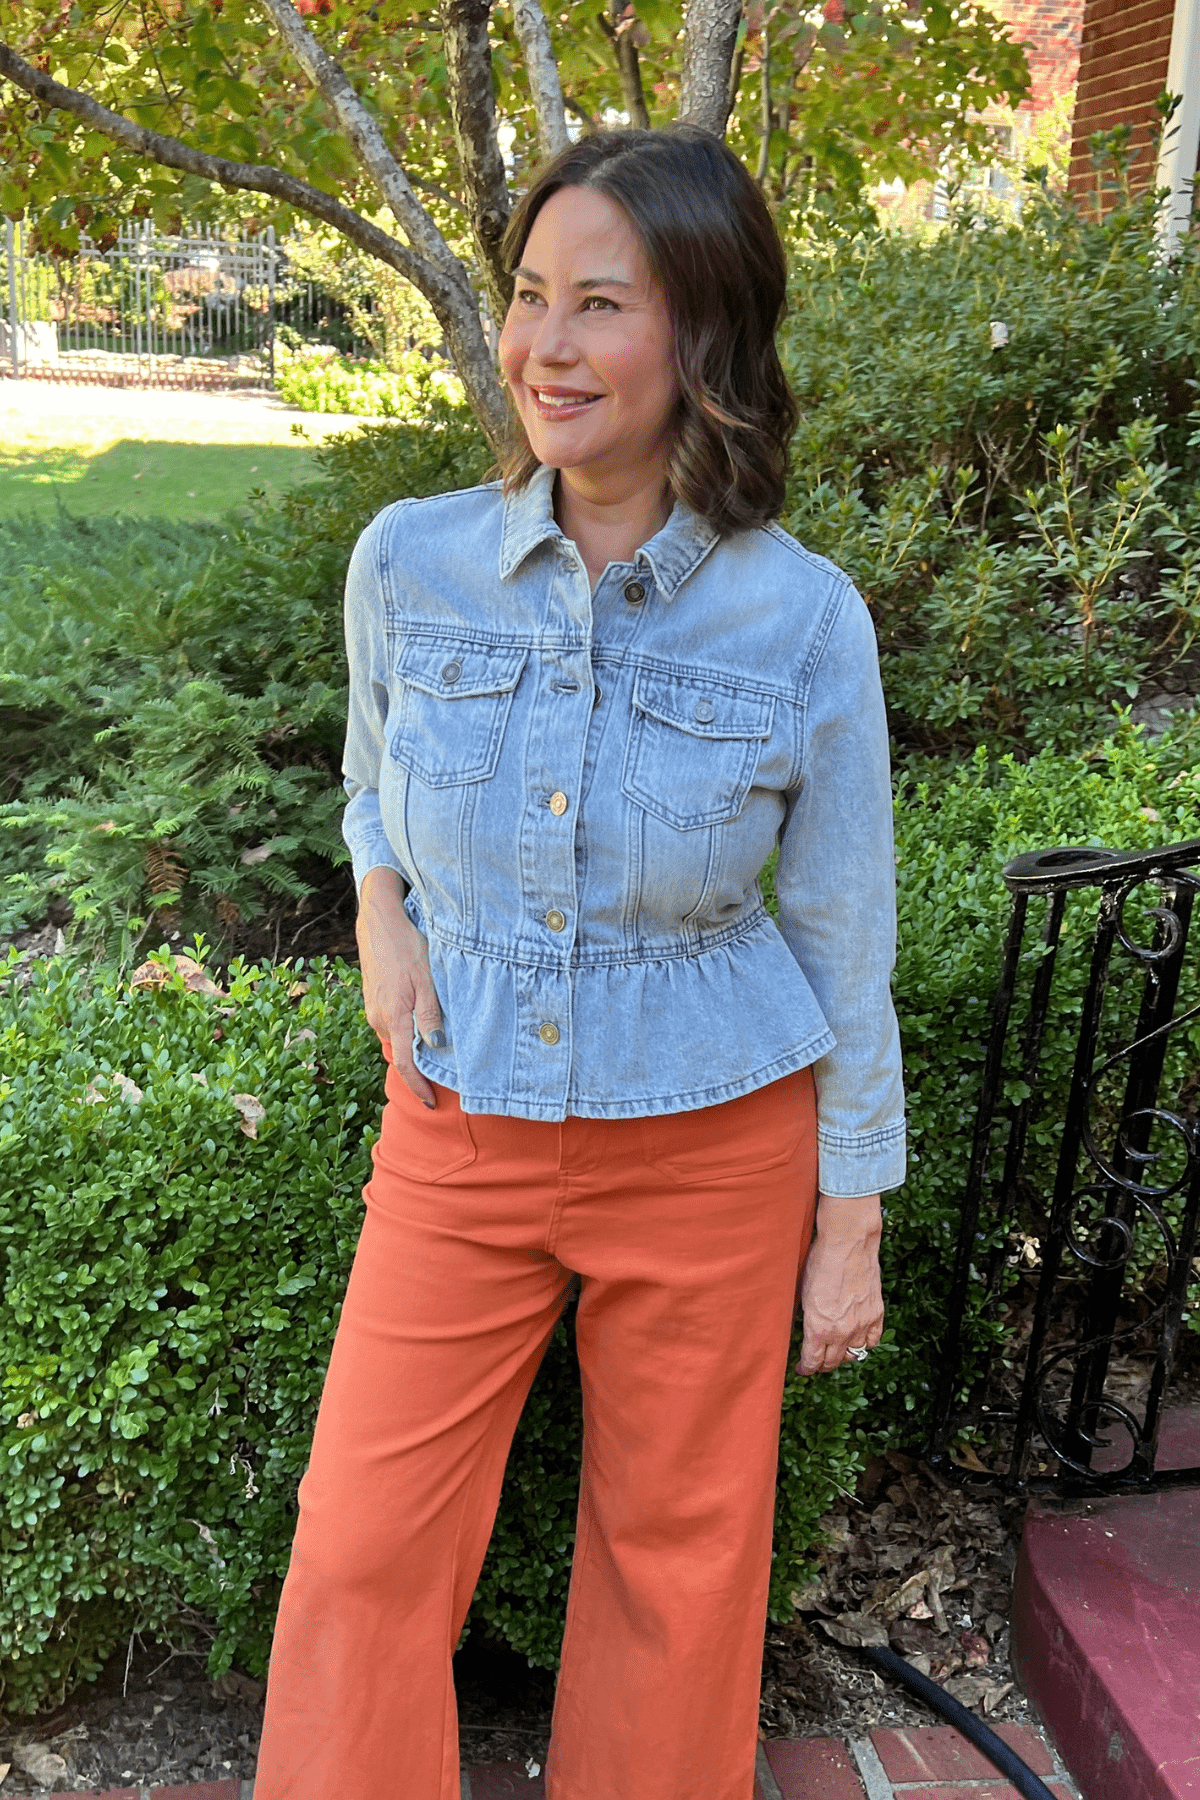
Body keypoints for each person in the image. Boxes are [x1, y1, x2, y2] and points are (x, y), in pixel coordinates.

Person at [254, 125, 905, 1800]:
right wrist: (381, 906)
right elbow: (370, 775)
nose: (546, 344)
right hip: (460, 1123)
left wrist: (849, 1219)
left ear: (703, 333)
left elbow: (844, 931)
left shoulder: (803, 621)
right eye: (530, 295)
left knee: (679, 1569)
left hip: (710, 1145)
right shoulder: (410, 563)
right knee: (360, 1550)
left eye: (600, 303)